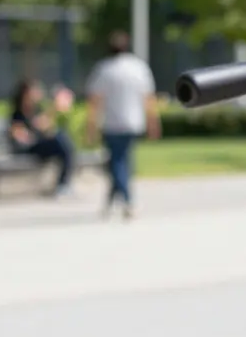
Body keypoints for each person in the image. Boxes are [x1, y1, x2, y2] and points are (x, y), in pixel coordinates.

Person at [85, 30, 160, 220]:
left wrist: (91, 127)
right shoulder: (138, 68)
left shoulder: (104, 69)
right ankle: (112, 199)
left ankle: (127, 200)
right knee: (122, 161)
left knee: (117, 162)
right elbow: (149, 99)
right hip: (134, 122)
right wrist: (153, 122)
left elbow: (94, 101)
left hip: (112, 123)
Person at [8, 78, 76, 197]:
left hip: (38, 145)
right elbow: (20, 135)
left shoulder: (36, 110)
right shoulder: (17, 113)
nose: (37, 94)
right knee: (61, 143)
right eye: (34, 91)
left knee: (62, 140)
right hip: (27, 148)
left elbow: (45, 128)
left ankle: (63, 183)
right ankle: (63, 184)